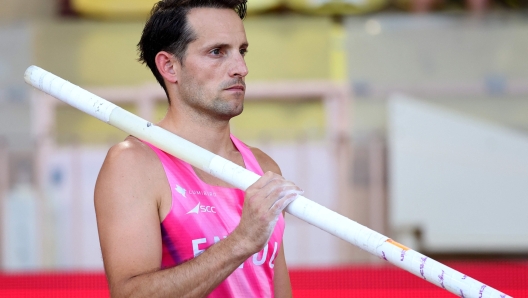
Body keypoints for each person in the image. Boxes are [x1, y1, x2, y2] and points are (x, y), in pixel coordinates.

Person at [94, 0, 303, 297]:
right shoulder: (134, 164)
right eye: (217, 52)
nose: (241, 68)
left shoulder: (262, 166)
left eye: (241, 51)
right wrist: (241, 242)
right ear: (169, 66)